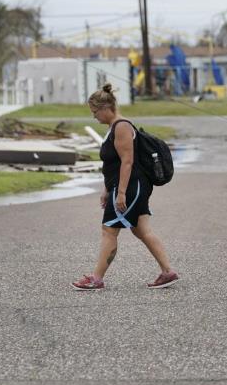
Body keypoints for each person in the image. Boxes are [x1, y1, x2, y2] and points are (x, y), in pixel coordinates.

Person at [72, 84, 179, 291]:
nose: (94, 116)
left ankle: (96, 279)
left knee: (109, 231)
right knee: (142, 230)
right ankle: (168, 272)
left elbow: (127, 162)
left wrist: (120, 193)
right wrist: (106, 189)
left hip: (130, 187)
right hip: (127, 186)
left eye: (95, 112)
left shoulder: (121, 127)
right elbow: (112, 165)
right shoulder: (114, 127)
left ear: (106, 108)